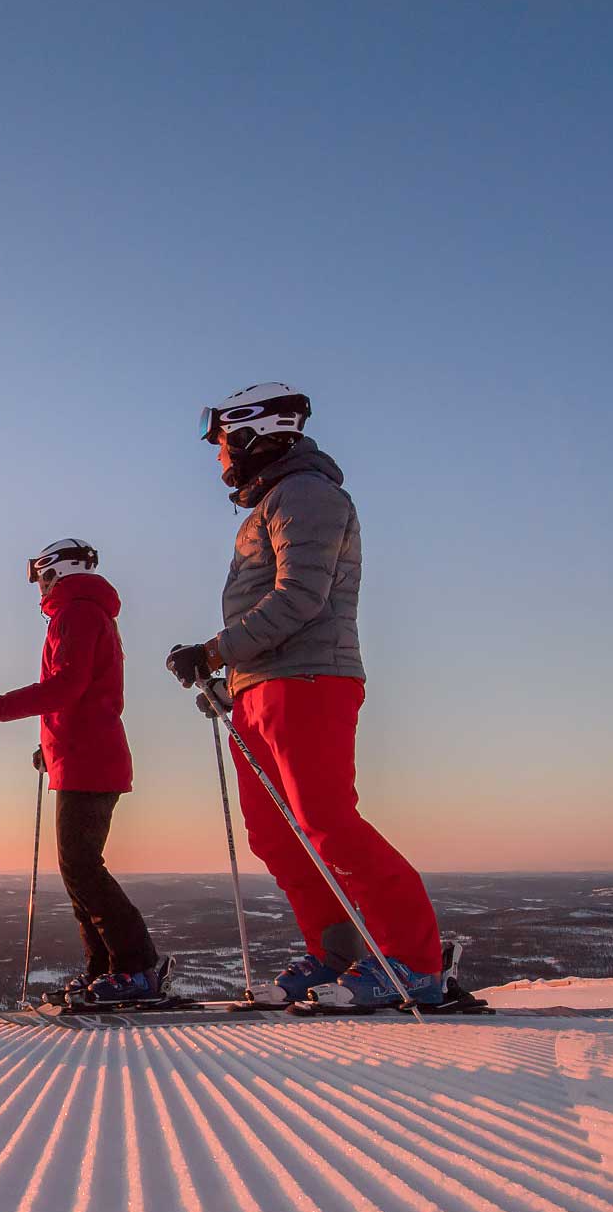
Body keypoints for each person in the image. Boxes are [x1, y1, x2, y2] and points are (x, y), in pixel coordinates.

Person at [168, 384, 444, 1009]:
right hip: (261, 687)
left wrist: (215, 651)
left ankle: (415, 962)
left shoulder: (308, 494)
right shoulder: (269, 505)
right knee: (275, 835)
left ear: (253, 436)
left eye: (221, 446)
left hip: (311, 679)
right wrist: (228, 678)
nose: (218, 460)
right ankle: (334, 955)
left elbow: (302, 596)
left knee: (326, 823)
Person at [0, 539, 166, 1006]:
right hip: (84, 755)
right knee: (77, 867)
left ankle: (136, 967)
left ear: (56, 572)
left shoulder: (76, 612)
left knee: (81, 865)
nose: (38, 586)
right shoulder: (85, 612)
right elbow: (85, 695)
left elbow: (68, 685)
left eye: (39, 575)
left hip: (90, 759)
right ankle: (106, 968)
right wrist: (51, 748)